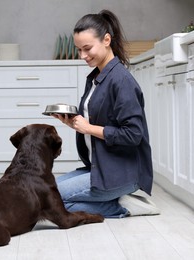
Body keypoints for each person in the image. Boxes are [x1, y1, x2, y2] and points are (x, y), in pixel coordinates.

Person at [53, 9, 159, 218]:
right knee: (45, 192)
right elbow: (97, 119)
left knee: (52, 201)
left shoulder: (121, 81)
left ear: (106, 40)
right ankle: (114, 199)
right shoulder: (95, 78)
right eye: (79, 50)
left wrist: (89, 128)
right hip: (100, 167)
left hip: (122, 173)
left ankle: (123, 206)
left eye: (87, 48)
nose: (82, 56)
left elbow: (133, 134)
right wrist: (74, 123)